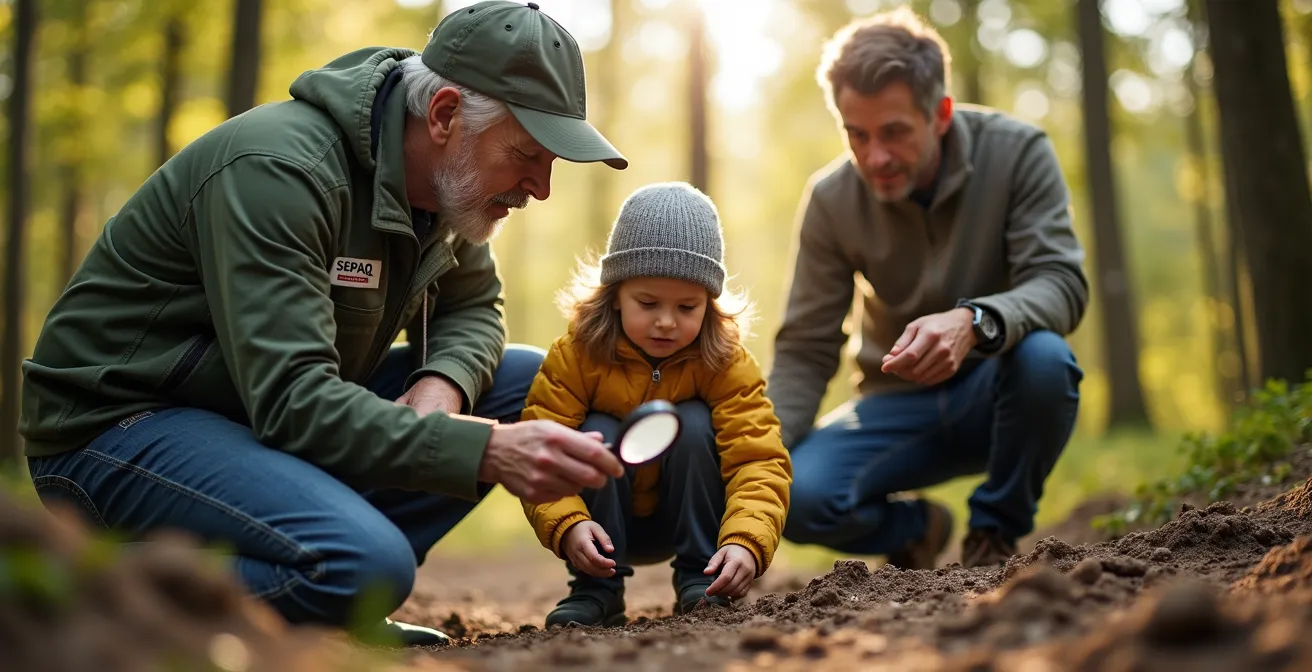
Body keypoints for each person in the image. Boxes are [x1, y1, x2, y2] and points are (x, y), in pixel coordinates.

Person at [19, 1, 629, 646]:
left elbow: (474, 308)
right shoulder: (281, 172)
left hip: (249, 419)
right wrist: (484, 449)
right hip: (117, 431)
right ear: (446, 114)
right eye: (528, 153)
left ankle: (332, 581)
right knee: (364, 565)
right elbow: (291, 400)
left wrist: (440, 388)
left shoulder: (449, 187)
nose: (541, 187)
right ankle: (92, 582)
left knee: (523, 381)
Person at [768, 8, 1088, 571]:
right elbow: (806, 346)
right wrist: (760, 456)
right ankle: (920, 529)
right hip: (892, 408)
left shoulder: (1017, 153)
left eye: (894, 132)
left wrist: (974, 321)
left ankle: (994, 530)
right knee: (793, 495)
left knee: (1046, 360)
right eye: (856, 135)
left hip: (1001, 391)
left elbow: (1061, 282)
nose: (875, 157)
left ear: (940, 114)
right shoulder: (831, 200)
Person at [519, 182, 792, 627]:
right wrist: (567, 524)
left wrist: (747, 539)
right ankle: (597, 590)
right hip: (601, 523)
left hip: (686, 518)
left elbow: (758, 459)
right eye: (647, 303)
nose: (666, 322)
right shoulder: (577, 354)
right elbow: (543, 447)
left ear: (710, 304)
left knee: (694, 420)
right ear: (616, 294)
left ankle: (700, 580)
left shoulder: (724, 361)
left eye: (688, 306)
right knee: (598, 428)